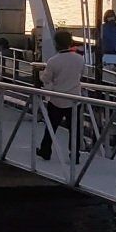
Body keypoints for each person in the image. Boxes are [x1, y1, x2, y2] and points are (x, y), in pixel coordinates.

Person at [35, 30, 84, 162]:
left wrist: (41, 76)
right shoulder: (80, 59)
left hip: (57, 98)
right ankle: (75, 155)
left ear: (56, 44)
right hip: (75, 98)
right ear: (70, 42)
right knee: (74, 129)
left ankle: (46, 150)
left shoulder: (53, 61)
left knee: (51, 126)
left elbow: (46, 79)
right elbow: (81, 74)